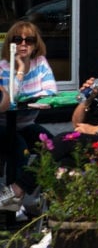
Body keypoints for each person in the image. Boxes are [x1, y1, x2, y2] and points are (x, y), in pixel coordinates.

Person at [1, 39, 98, 211]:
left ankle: (17, 190)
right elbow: (77, 122)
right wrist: (86, 99)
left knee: (60, 140)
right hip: (88, 142)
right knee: (63, 163)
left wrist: (95, 129)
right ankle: (59, 223)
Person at [0, 21, 58, 189]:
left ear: (36, 43)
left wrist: (33, 99)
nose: (23, 44)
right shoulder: (3, 67)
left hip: (26, 124)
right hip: (3, 124)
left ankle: (24, 191)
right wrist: (19, 70)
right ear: (10, 43)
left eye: (29, 40)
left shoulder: (39, 63)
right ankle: (16, 203)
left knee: (52, 145)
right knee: (20, 147)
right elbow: (11, 99)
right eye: (18, 39)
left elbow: (50, 91)